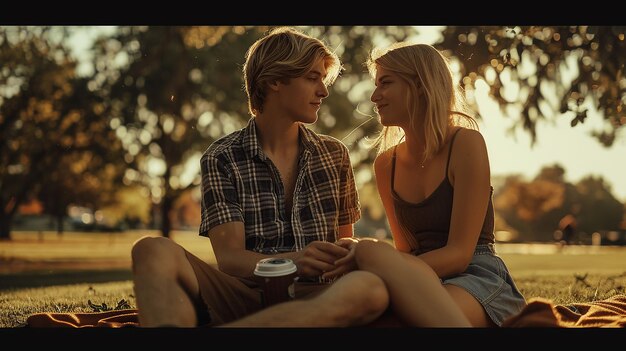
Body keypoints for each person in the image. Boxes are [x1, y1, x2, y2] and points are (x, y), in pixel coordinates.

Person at [130, 27, 389, 327]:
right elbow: (230, 259)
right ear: (275, 80)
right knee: (150, 249)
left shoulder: (335, 155)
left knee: (371, 290)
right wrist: (295, 261)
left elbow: (345, 244)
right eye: (312, 78)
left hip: (319, 294)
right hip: (244, 295)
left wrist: (350, 251)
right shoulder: (221, 157)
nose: (324, 91)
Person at [330, 42, 527, 327]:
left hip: (476, 275)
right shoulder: (386, 164)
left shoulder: (466, 143)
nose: (374, 96)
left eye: (385, 83)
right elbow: (406, 250)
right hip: (415, 275)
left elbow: (459, 255)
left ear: (420, 84)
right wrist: (390, 269)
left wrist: (385, 267)